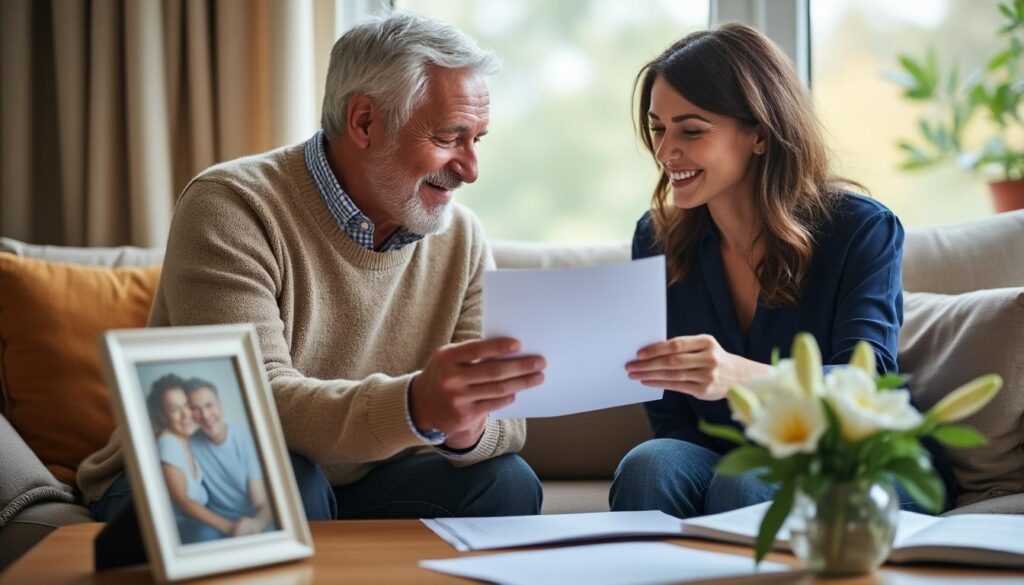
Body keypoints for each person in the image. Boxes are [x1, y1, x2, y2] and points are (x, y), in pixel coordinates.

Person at [78, 11, 545, 522]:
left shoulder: (461, 237)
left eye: (477, 140)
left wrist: (465, 425)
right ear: (364, 122)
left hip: (357, 481)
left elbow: (508, 418)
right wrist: (415, 406)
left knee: (505, 483)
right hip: (191, 472)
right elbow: (249, 406)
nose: (470, 170)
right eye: (449, 137)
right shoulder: (232, 206)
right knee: (284, 482)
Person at [610, 23, 956, 518]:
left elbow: (866, 381)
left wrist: (744, 377)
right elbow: (670, 416)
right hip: (733, 455)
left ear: (759, 134)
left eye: (691, 130)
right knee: (650, 467)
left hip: (860, 456)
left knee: (747, 481)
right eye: (658, 129)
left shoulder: (860, 229)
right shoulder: (656, 237)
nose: (665, 153)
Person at [184, 378, 274, 536]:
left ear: (220, 405)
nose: (205, 415)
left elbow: (260, 501)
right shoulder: (188, 443)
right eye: (196, 409)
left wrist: (257, 523)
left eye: (209, 405)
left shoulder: (245, 439)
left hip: (250, 518)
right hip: (216, 521)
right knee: (203, 536)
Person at [147, 374, 229, 543]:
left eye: (187, 405)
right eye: (174, 409)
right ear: (162, 415)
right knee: (211, 534)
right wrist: (229, 527)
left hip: (194, 525)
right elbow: (184, 502)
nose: (185, 415)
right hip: (177, 532)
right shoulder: (168, 442)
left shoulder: (190, 441)